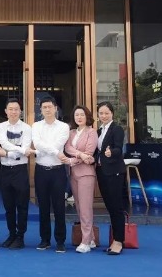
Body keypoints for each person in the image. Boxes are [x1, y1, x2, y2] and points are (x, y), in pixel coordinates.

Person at [31, 95, 70, 253]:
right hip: (41, 170)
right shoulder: (36, 126)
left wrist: (48, 149)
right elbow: (37, 144)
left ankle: (60, 241)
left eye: (50, 107)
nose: (47, 109)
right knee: (43, 206)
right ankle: (45, 240)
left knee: (59, 206)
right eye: (44, 107)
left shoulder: (63, 127)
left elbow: (58, 143)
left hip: (58, 171)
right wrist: (55, 152)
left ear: (55, 108)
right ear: (40, 110)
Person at [0, 98, 32, 250]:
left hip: (20, 170)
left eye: (16, 109)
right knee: (8, 206)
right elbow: (4, 143)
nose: (13, 112)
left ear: (20, 111)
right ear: (6, 111)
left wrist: (7, 153)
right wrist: (20, 150)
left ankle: (20, 236)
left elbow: (26, 146)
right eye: (10, 109)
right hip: (5, 170)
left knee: (22, 205)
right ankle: (11, 234)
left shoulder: (27, 128)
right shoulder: (0, 126)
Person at [64, 105, 98, 253]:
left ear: (87, 116)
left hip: (86, 174)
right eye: (76, 115)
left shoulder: (92, 132)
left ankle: (85, 242)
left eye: (82, 114)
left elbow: (89, 154)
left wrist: (73, 160)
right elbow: (67, 148)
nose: (79, 117)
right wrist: (80, 155)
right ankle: (91, 239)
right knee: (78, 207)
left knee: (85, 208)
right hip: (73, 173)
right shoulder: (71, 132)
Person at [95, 101, 126, 256]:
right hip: (102, 171)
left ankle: (119, 241)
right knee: (109, 206)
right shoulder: (99, 131)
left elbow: (119, 149)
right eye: (101, 113)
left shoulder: (117, 129)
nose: (104, 116)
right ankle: (115, 239)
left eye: (106, 113)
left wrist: (111, 152)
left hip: (114, 172)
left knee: (116, 207)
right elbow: (97, 150)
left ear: (112, 113)